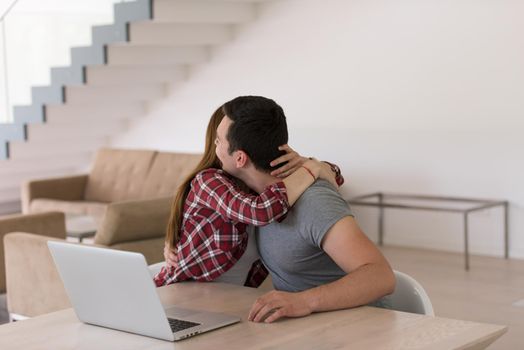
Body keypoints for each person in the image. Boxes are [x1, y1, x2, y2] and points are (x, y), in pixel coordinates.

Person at [205, 96, 395, 323]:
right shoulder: (247, 200)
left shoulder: (314, 202)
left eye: (218, 142)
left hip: (361, 328)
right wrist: (174, 249)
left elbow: (381, 276)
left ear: (240, 158)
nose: (214, 148)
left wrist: (304, 301)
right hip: (307, 329)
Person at [154, 103, 341, 288]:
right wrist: (309, 168)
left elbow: (335, 177)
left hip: (229, 298)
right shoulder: (209, 181)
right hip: (184, 289)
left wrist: (307, 163)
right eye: (217, 140)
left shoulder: (261, 184)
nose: (216, 145)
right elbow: (260, 212)